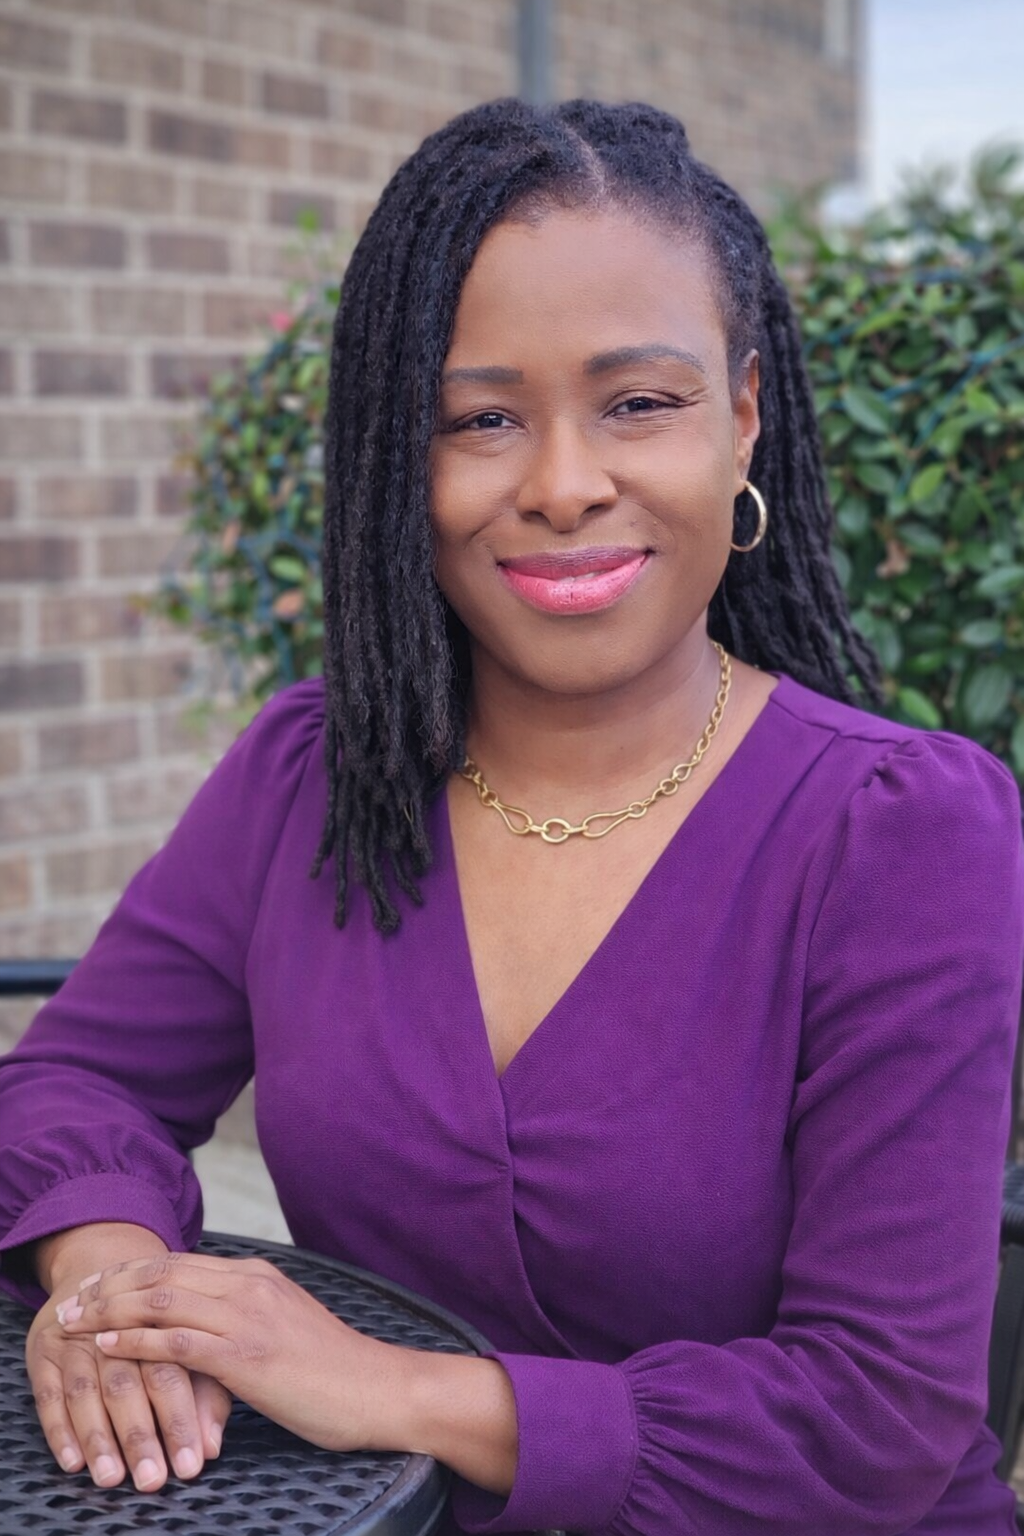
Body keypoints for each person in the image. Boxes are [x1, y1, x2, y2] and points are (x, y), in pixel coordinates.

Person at [0, 97, 1021, 1536]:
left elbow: (876, 1419)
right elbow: (78, 1081)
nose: (561, 486)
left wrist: (392, 1390)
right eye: (479, 419)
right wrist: (116, 1292)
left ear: (742, 419)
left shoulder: (899, 830)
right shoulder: (316, 777)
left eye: (639, 403)